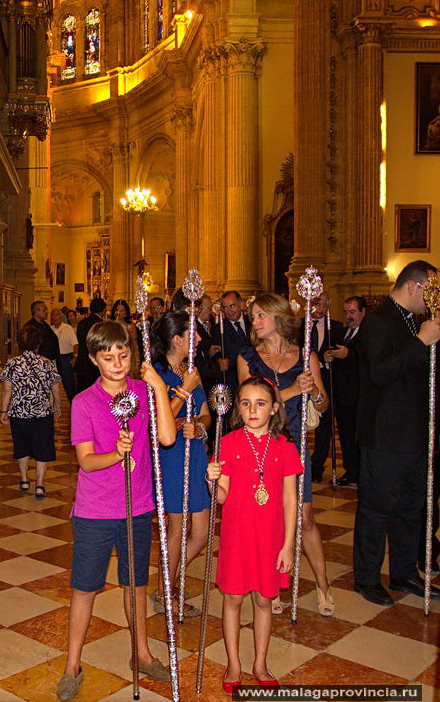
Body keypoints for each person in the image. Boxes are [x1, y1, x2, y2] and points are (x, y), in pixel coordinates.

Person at [56, 321, 177, 700]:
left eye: (123, 355)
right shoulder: (84, 402)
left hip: (136, 506)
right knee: (85, 588)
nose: (117, 363)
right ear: (93, 359)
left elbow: (168, 437)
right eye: (108, 358)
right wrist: (117, 454)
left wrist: (157, 385)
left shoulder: (142, 392)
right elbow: (87, 461)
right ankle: (72, 663)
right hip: (94, 511)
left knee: (136, 585)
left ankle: (141, 652)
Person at [238, 293, 334, 617]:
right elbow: (247, 403)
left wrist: (315, 392)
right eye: (253, 316)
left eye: (260, 315)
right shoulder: (248, 358)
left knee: (304, 518)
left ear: (279, 316)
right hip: (258, 448)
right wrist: (292, 390)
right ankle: (274, 583)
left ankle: (323, 584)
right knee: (271, 520)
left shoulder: (306, 356)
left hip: (293, 447)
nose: (255, 321)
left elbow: (322, 404)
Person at [207, 376, 303, 692]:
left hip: (270, 538)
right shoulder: (229, 442)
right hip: (237, 537)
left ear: (274, 408)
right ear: (237, 407)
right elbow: (222, 498)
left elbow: (291, 500)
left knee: (264, 601)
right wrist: (213, 480)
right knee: (232, 599)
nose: (252, 410)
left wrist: (288, 545)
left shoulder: (285, 447)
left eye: (260, 404)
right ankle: (233, 664)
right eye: (245, 403)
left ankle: (260, 663)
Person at [354, 260, 440, 606]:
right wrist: (421, 342)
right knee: (376, 509)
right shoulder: (378, 321)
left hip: (415, 436)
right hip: (385, 436)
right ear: (415, 287)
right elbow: (379, 372)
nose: (433, 298)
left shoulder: (412, 322)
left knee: (411, 508)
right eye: (431, 290)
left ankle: (405, 572)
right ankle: (367, 577)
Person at [151, 311, 211, 617]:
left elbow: (205, 413)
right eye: (193, 334)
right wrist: (184, 389)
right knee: (177, 529)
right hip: (171, 458)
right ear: (177, 340)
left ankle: (166, 580)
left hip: (196, 454)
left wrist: (199, 426)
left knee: (202, 532)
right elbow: (160, 427)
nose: (199, 339)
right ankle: (166, 590)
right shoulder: (156, 375)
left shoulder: (192, 370)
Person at [0, 323, 62, 499]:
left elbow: (6, 390)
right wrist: (57, 406)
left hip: (19, 414)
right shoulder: (47, 363)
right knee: (42, 448)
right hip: (42, 413)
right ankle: (40, 484)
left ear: (20, 344)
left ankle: (25, 479)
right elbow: (56, 389)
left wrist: (4, 412)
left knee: (22, 446)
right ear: (37, 344)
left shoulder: (12, 363)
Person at [327, 296, 366, 487]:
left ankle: (362, 473)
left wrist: (349, 354)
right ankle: (351, 472)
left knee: (359, 438)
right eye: (345, 312)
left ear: (362, 312)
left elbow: (369, 359)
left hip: (360, 396)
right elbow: (332, 353)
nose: (348, 316)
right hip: (342, 395)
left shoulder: (368, 333)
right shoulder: (341, 333)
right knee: (345, 436)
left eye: (352, 312)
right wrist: (329, 356)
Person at [306, 295, 345, 482]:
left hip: (326, 379)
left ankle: (318, 465)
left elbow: (341, 351)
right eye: (316, 304)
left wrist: (333, 357)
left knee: (325, 425)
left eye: (324, 305)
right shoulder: (300, 326)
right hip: (303, 378)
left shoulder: (335, 327)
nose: (320, 308)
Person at [210, 290, 251, 391]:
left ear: (241, 305)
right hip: (232, 381)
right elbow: (218, 354)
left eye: (232, 306)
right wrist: (219, 360)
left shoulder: (252, 322)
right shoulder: (218, 329)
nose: (229, 311)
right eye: (225, 308)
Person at [74, 297, 107, 393]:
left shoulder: (81, 323)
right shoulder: (101, 324)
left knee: (83, 391)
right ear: (103, 310)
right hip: (94, 365)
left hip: (82, 362)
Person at [51, 307, 78, 400]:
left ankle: (73, 403)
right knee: (53, 383)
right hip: (55, 359)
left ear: (61, 317)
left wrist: (74, 357)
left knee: (69, 384)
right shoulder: (51, 329)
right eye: (52, 315)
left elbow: (75, 344)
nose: (54, 317)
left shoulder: (67, 328)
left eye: (56, 314)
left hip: (66, 358)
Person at [110, 298, 141, 378]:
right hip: (113, 358)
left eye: (122, 310)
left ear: (126, 313)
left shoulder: (130, 326)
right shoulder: (109, 326)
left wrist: (137, 363)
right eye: (117, 310)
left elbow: (135, 346)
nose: (119, 312)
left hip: (129, 359)